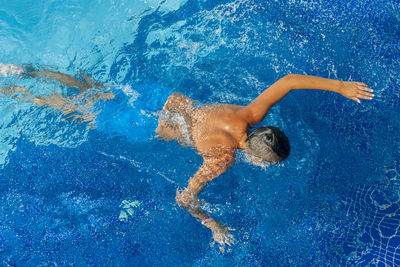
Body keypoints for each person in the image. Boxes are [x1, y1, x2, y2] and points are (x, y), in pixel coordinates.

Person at [156, 74, 374, 247]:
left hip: (175, 100)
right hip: (161, 127)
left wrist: (341, 86)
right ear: (256, 159)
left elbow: (290, 80)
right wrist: (213, 225)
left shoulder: (250, 114)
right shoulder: (221, 158)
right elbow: (185, 199)